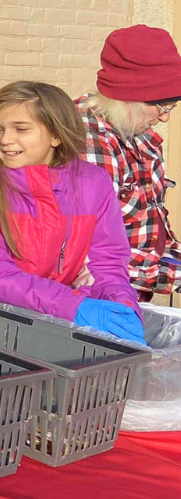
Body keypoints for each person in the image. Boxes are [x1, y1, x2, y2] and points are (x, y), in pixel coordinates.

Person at [0, 81, 145, 345]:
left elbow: (106, 264)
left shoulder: (93, 183)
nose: (5, 140)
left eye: (21, 129)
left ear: (56, 135)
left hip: (48, 326)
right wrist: (71, 305)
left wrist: (122, 305)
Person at [76, 25, 181, 303]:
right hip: (93, 299)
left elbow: (148, 228)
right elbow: (93, 252)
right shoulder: (88, 143)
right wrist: (172, 276)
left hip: (129, 293)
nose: (165, 117)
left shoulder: (140, 136)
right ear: (127, 96)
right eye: (161, 106)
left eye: (172, 106)